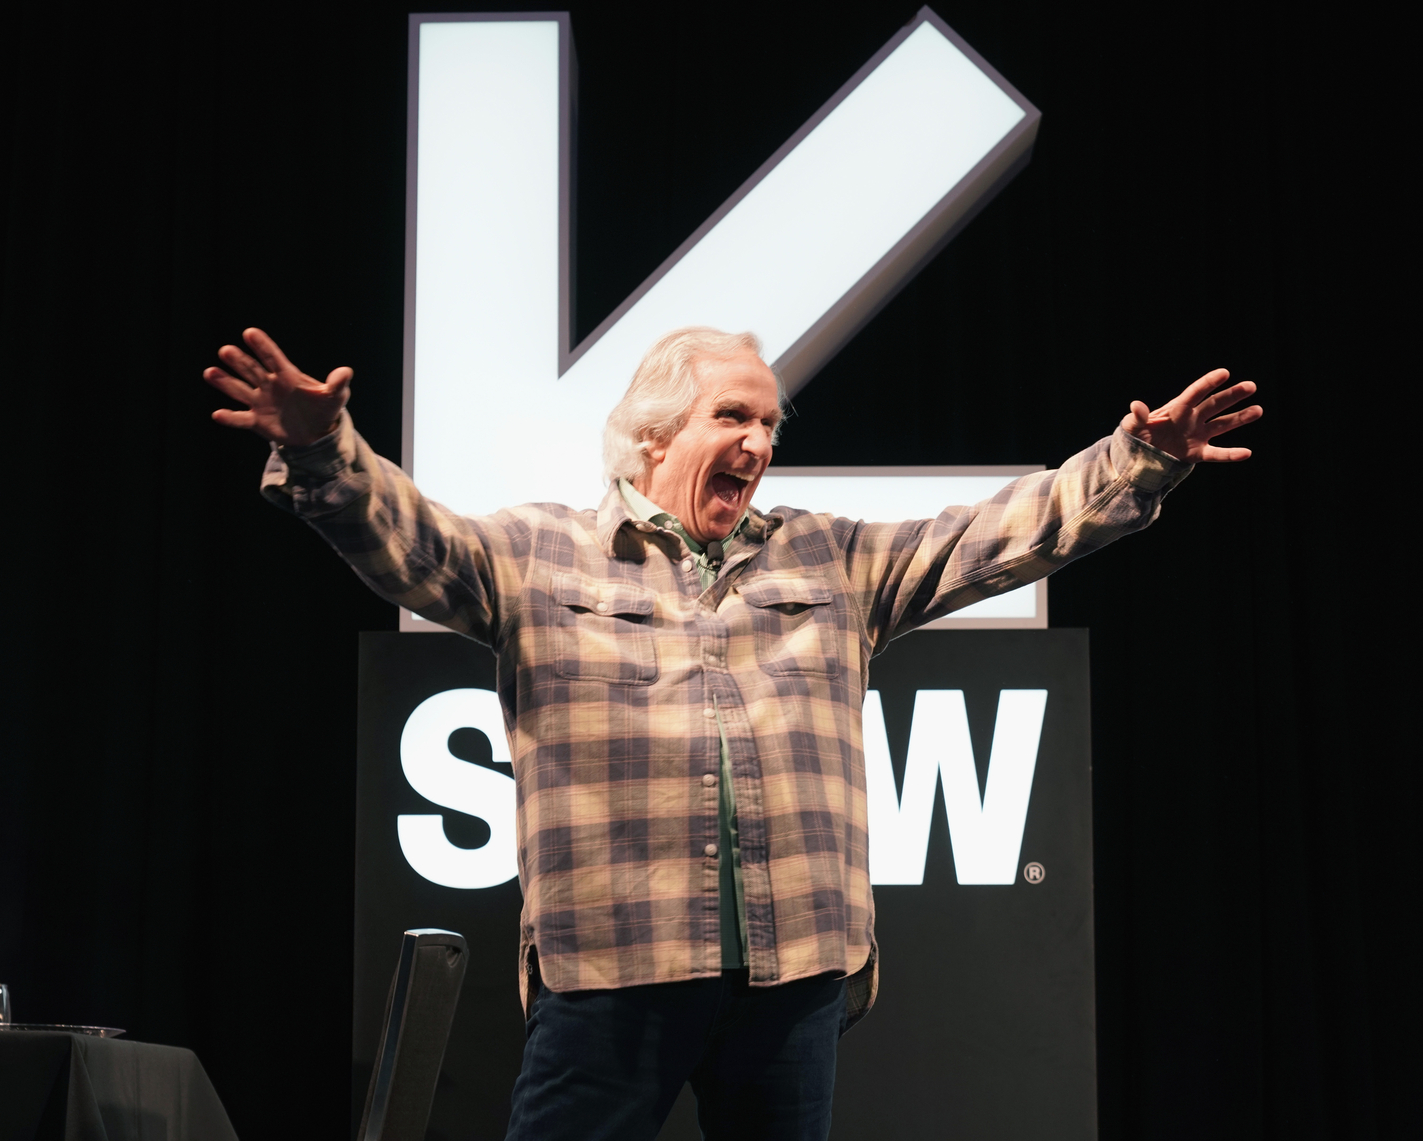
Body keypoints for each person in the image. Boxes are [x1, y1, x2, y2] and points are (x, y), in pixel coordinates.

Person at [204, 326, 1260, 1140]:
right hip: (613, 969)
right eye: (734, 417)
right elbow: (407, 540)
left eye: (768, 425)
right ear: (657, 436)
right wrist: (322, 448)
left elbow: (1000, 534)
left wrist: (1137, 463)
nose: (758, 443)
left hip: (792, 974)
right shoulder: (540, 556)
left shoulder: (828, 560)